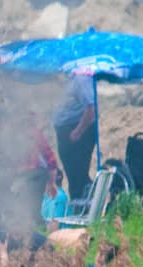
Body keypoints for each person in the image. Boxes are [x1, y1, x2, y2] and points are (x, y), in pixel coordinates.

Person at [52, 72, 97, 203]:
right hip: (65, 131)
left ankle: (83, 207)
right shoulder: (66, 79)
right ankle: (79, 204)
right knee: (72, 174)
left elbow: (91, 109)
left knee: (78, 174)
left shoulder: (81, 79)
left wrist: (78, 131)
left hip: (77, 132)